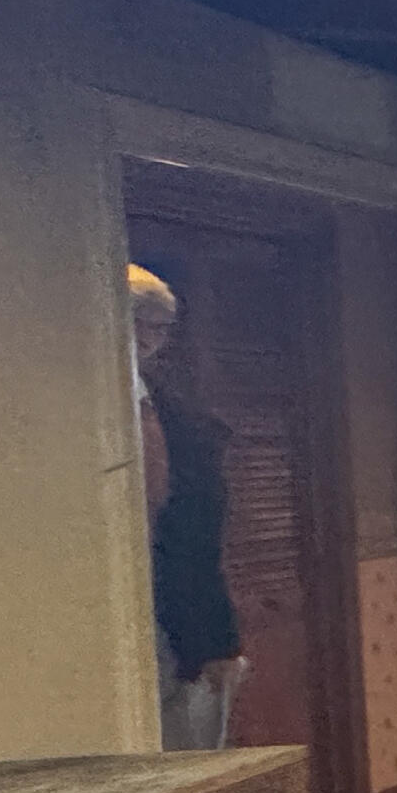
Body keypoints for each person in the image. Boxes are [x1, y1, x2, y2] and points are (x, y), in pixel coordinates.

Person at [129, 263, 245, 750]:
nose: (151, 338)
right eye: (141, 323)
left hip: (185, 595)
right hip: (145, 596)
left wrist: (216, 637)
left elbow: (195, 528)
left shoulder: (169, 402)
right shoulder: (110, 398)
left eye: (160, 327)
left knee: (195, 753)